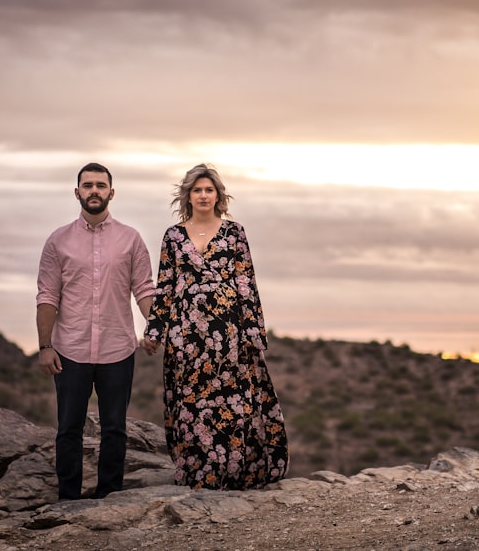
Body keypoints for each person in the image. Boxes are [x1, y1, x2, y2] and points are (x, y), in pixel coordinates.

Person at [143, 163, 289, 489]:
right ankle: (198, 474)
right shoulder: (173, 236)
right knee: (192, 405)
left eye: (209, 189)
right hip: (187, 335)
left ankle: (232, 473)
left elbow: (246, 282)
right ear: (188, 195)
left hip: (228, 335)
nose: (204, 195)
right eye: (198, 190)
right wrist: (155, 331)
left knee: (229, 404)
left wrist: (254, 331)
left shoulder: (235, 232)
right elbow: (165, 286)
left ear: (218, 195)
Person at [36, 162, 156, 500]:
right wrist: (45, 345)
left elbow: (144, 288)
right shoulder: (58, 241)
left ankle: (109, 497)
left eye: (100, 185)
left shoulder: (130, 239)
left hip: (117, 349)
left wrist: (156, 328)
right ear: (77, 192)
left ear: (111, 193)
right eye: (87, 185)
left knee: (115, 430)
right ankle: (68, 499)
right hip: (69, 349)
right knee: (69, 429)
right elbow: (48, 295)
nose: (94, 191)